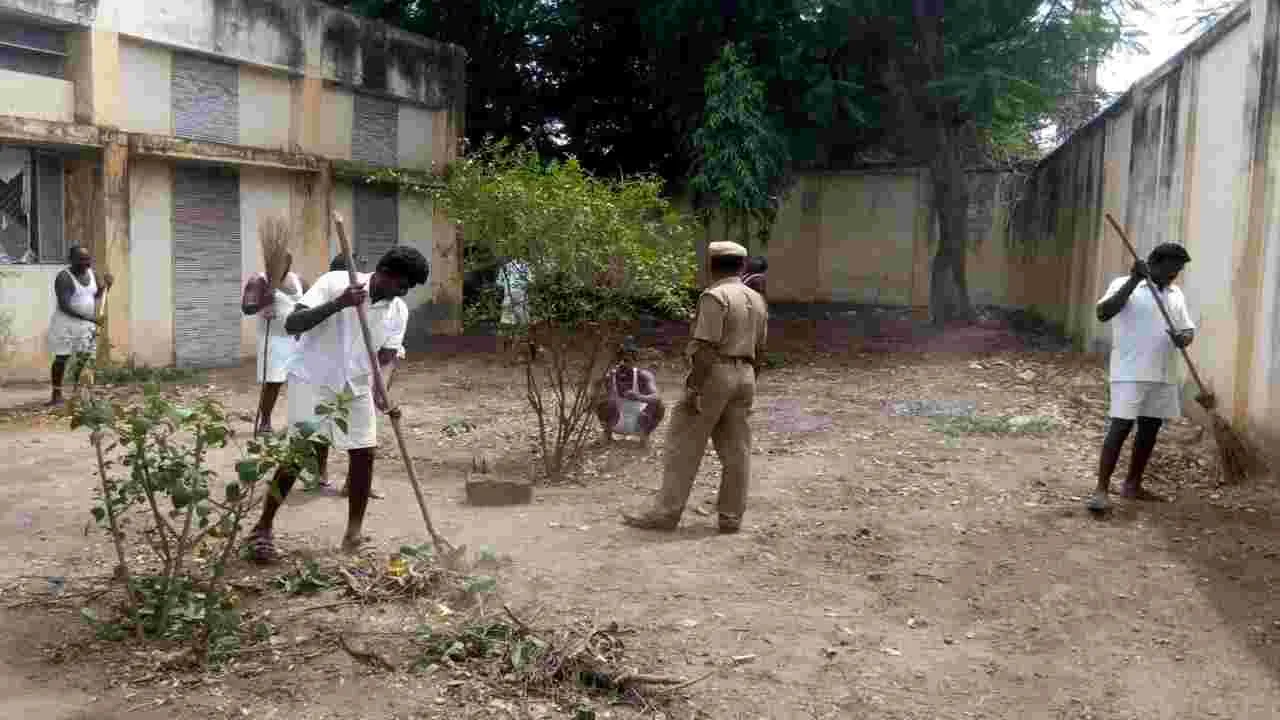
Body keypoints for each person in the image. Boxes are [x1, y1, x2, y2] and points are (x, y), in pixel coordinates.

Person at [246, 246, 428, 562]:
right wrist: (339, 303)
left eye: (409, 288)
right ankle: (262, 528)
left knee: (364, 452)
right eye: (403, 284)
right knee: (298, 454)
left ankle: (353, 534)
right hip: (312, 378)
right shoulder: (335, 282)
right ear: (385, 274)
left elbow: (386, 356)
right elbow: (293, 324)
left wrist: (382, 389)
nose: (404, 292)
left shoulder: (397, 310)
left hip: (354, 384)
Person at [622, 241, 768, 533]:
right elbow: (761, 349)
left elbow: (704, 348)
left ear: (711, 266)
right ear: (741, 266)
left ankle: (666, 514)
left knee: (683, 445)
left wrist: (695, 387)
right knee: (736, 449)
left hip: (716, 373)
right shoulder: (756, 298)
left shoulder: (714, 296)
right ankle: (730, 518)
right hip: (746, 375)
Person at [1086, 243, 1195, 513]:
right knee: (1120, 428)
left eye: (1178, 272)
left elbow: (1187, 329)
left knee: (1149, 431)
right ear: (1154, 264)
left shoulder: (1175, 293)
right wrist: (1134, 279)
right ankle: (1101, 489)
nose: (1174, 277)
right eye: (1171, 271)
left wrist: (1184, 338)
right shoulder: (1124, 284)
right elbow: (1104, 313)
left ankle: (1132, 485)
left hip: (1163, 372)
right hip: (1130, 372)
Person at [240, 256, 306, 435]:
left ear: (288, 264)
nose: (278, 267)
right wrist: (264, 301)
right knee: (273, 382)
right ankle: (265, 422)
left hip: (297, 339)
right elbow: (247, 307)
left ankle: (298, 421)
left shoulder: (298, 280)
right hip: (274, 339)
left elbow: (311, 301)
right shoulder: (259, 280)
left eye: (283, 264)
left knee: (300, 380)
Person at [47, 246, 112, 405]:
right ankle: (56, 394)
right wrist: (91, 318)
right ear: (71, 260)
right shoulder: (64, 277)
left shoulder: (92, 273)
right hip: (65, 324)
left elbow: (96, 295)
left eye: (87, 258)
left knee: (84, 359)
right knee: (62, 358)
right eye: (81, 259)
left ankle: (79, 393)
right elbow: (64, 306)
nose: (86, 262)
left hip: (86, 324)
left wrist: (108, 286)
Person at [595, 336, 666, 447]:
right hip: (616, 421)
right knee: (601, 401)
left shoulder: (643, 375)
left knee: (660, 406)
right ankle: (607, 434)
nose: (623, 363)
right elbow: (596, 398)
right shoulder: (610, 376)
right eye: (620, 359)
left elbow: (657, 397)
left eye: (627, 360)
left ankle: (644, 436)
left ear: (634, 361)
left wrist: (639, 397)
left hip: (639, 422)